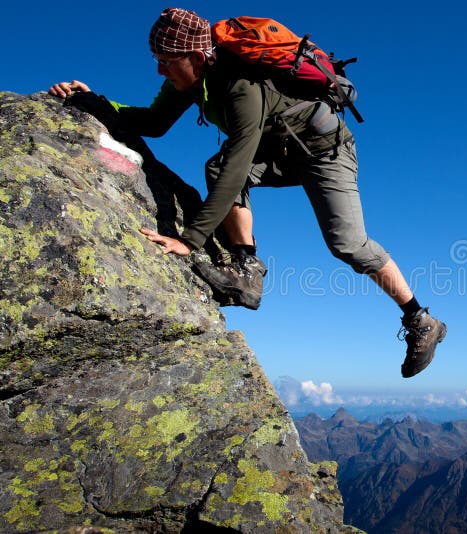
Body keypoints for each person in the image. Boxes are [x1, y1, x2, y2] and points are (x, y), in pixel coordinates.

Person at [49, 8, 446, 378]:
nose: (159, 69)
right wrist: (94, 102)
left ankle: (420, 319)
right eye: (158, 59)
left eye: (167, 61)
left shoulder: (241, 87)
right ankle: (246, 271)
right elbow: (153, 123)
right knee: (217, 167)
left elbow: (240, 162)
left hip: (326, 152)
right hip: (280, 149)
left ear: (197, 57)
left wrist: (191, 240)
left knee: (348, 243)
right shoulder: (187, 82)